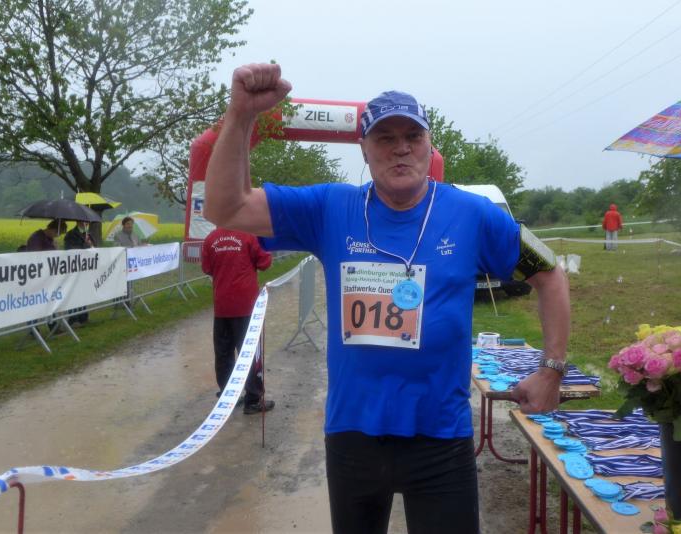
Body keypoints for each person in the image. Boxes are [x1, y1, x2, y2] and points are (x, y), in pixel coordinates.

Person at [203, 63, 570, 534]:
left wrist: (551, 370)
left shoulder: (472, 214)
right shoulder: (330, 208)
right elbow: (225, 207)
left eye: (413, 136)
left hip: (441, 439)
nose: (400, 148)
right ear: (364, 147)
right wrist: (241, 115)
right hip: (353, 436)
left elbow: (550, 274)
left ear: (430, 145)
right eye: (385, 137)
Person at [202, 227, 275, 414]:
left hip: (222, 305)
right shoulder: (249, 235)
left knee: (223, 354)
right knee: (250, 353)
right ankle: (253, 399)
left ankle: (227, 397)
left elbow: (207, 268)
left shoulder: (211, 239)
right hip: (246, 306)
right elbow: (265, 262)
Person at [64, 221, 95, 326]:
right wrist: (85, 244)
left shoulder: (88, 234)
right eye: (84, 222)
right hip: (74, 267)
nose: (86, 224)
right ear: (78, 222)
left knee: (83, 292)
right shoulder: (71, 234)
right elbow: (70, 249)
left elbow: (94, 247)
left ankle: (83, 317)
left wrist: (91, 244)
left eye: (87, 222)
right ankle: (73, 319)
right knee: (74, 293)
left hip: (85, 267)